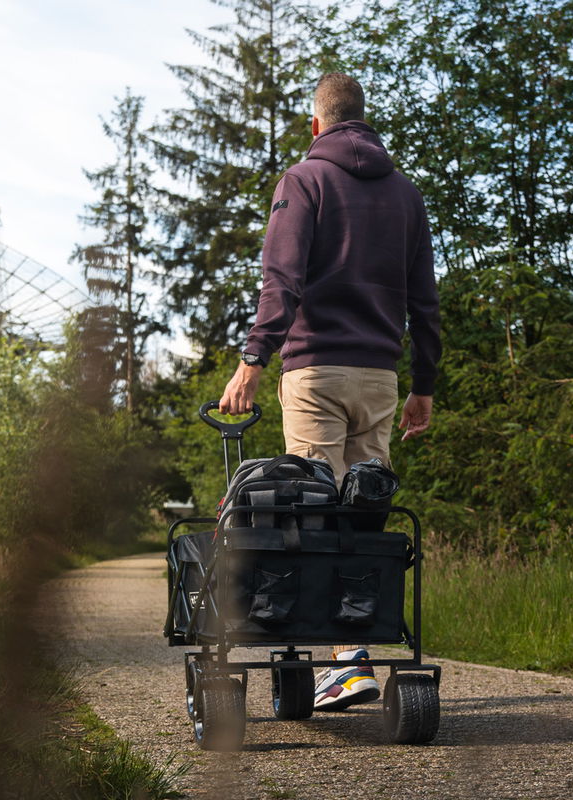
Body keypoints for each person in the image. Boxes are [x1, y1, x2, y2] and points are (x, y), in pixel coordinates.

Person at [218, 73, 441, 711]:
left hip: (314, 372)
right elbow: (425, 301)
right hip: (379, 377)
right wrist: (422, 385)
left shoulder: (304, 180)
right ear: (363, 121)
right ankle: (358, 643)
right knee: (366, 510)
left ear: (315, 125)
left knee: (315, 513)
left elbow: (281, 279)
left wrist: (252, 360)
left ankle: (345, 662)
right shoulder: (406, 195)